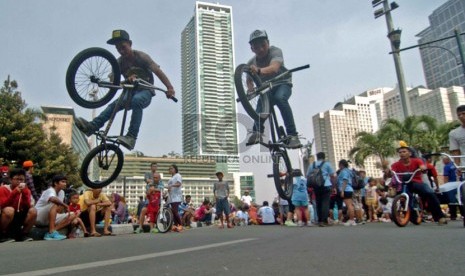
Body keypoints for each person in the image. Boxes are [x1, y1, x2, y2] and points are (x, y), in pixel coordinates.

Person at [74, 29, 176, 150]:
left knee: (137, 100)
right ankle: (92, 127)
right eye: (118, 49)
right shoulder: (118, 63)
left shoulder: (141, 57)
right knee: (113, 106)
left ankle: (131, 137)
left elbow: (158, 72)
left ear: (130, 44)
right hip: (129, 92)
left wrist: (169, 88)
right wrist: (125, 80)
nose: (121, 51)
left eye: (123, 47)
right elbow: (113, 82)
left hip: (145, 91)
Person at [246, 30, 301, 149]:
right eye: (256, 47)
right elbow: (248, 79)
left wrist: (259, 70)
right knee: (260, 108)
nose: (260, 49)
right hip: (267, 89)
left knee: (280, 98)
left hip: (282, 83)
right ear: (252, 49)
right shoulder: (251, 62)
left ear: (268, 43)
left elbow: (274, 68)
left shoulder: (275, 51)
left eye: (263, 45)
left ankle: (292, 135)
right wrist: (250, 90)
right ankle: (257, 132)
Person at [391, 144, 447, 225]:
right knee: (403, 198)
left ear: (410, 153)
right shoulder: (396, 164)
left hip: (416, 182)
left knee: (430, 193)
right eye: (400, 152)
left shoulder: (416, 161)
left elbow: (422, 166)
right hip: (404, 184)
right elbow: (391, 172)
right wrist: (388, 172)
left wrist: (423, 168)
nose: (402, 154)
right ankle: (412, 217)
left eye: (404, 151)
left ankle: (440, 217)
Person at [35, 175, 76, 241]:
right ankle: (51, 231)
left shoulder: (62, 192)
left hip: (51, 217)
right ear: (55, 183)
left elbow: (58, 210)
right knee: (54, 203)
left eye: (65, 182)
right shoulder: (50, 190)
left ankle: (52, 231)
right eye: (62, 182)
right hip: (39, 217)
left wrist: (63, 209)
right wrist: (65, 205)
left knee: (72, 214)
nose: (65, 184)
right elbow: (53, 199)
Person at [0, 168, 37, 242]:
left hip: (19, 216)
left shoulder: (27, 190)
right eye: (17, 179)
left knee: (33, 211)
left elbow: (27, 206)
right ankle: (2, 235)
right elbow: (3, 205)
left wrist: (24, 194)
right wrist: (14, 193)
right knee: (9, 210)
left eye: (22, 179)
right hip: (6, 217)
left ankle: (23, 234)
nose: (19, 181)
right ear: (10, 180)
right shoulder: (3, 189)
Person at [306, 152, 336, 227]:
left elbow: (308, 175)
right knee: (325, 203)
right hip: (326, 185)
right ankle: (324, 220)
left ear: (317, 157)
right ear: (324, 157)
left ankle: (319, 220)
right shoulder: (327, 164)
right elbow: (332, 175)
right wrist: (333, 187)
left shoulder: (312, 165)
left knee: (318, 203)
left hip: (316, 186)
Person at [337, 159, 356, 226]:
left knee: (349, 206)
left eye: (339, 165)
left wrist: (342, 190)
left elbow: (345, 181)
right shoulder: (349, 171)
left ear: (341, 165)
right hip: (349, 189)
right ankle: (352, 219)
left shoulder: (344, 171)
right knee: (350, 205)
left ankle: (351, 220)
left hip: (346, 189)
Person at [167, 164, 183, 232]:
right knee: (173, 212)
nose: (170, 170)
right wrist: (167, 191)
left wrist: (171, 185)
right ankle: (176, 226)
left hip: (177, 197)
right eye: (169, 169)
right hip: (171, 197)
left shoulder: (178, 175)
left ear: (175, 169)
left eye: (172, 168)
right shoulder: (171, 178)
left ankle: (180, 225)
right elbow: (169, 188)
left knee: (175, 211)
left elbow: (179, 184)